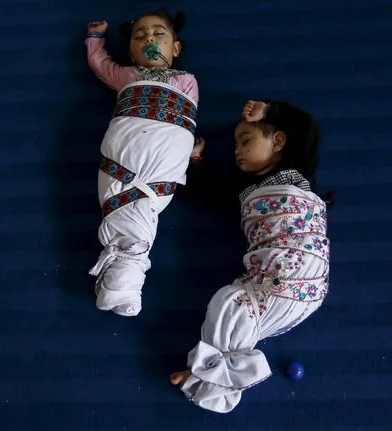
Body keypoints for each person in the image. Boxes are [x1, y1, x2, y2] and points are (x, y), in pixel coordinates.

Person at [170, 100, 333, 413]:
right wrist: (196, 159)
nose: (237, 151)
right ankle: (218, 368)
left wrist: (270, 113)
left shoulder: (297, 170)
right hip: (276, 279)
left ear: (278, 141)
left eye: (245, 141)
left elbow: (309, 127)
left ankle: (212, 371)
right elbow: (206, 196)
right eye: (235, 146)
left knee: (232, 304)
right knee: (230, 303)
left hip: (302, 269)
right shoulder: (241, 187)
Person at [85, 10, 199, 317]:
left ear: (176, 49)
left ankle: (124, 277)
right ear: (132, 52)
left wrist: (189, 148)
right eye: (139, 36)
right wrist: (95, 39)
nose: (149, 37)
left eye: (159, 34)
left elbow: (185, 121)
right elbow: (102, 66)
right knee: (133, 210)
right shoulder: (128, 76)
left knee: (143, 207)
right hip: (127, 145)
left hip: (164, 154)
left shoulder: (187, 81)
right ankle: (125, 279)